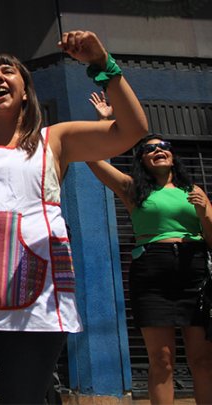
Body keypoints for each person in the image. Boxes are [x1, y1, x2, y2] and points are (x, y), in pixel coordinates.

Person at [0, 31, 149, 404]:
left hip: (36, 302)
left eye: (8, 71)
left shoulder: (56, 139)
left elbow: (132, 130)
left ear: (25, 90)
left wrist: (102, 65)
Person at [87, 91, 212, 404]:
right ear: (142, 159)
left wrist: (203, 212)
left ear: (172, 156)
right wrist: (104, 123)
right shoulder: (132, 189)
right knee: (162, 360)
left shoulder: (192, 190)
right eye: (150, 149)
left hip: (194, 268)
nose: (158, 151)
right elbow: (92, 158)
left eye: (163, 147)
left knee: (202, 360)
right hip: (152, 271)